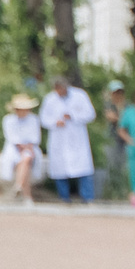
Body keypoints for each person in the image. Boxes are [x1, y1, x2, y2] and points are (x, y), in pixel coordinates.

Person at [40, 72, 97, 203]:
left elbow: (90, 114)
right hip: (58, 138)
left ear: (66, 87)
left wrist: (72, 116)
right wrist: (55, 122)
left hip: (77, 138)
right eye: (56, 89)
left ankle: (88, 198)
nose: (59, 91)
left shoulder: (80, 95)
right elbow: (43, 119)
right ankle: (64, 198)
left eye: (61, 88)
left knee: (83, 168)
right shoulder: (49, 99)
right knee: (59, 170)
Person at [0, 93, 44, 202]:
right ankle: (27, 195)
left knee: (26, 158)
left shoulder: (34, 119)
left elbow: (35, 138)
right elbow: (12, 137)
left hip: (30, 148)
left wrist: (28, 147)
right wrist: (21, 147)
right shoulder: (8, 120)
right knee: (25, 161)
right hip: (14, 148)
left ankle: (18, 186)